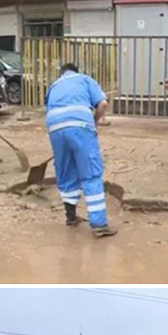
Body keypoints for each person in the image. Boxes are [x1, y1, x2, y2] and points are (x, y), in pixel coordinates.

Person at [45, 62, 116, 237]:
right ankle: (99, 225)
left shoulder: (54, 86)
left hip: (55, 128)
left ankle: (70, 217)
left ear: (62, 74)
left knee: (65, 171)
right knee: (91, 173)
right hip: (81, 126)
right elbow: (103, 105)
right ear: (76, 71)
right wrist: (95, 121)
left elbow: (49, 110)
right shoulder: (85, 80)